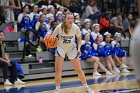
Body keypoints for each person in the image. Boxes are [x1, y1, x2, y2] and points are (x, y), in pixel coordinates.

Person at [52, 12, 94, 93]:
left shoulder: (76, 28)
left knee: (78, 69)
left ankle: (86, 88)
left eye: (72, 18)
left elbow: (79, 40)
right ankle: (57, 89)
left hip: (72, 48)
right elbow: (52, 37)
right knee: (58, 69)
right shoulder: (59, 27)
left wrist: (78, 49)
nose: (70, 20)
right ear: (65, 19)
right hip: (61, 47)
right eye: (68, 18)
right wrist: (50, 41)